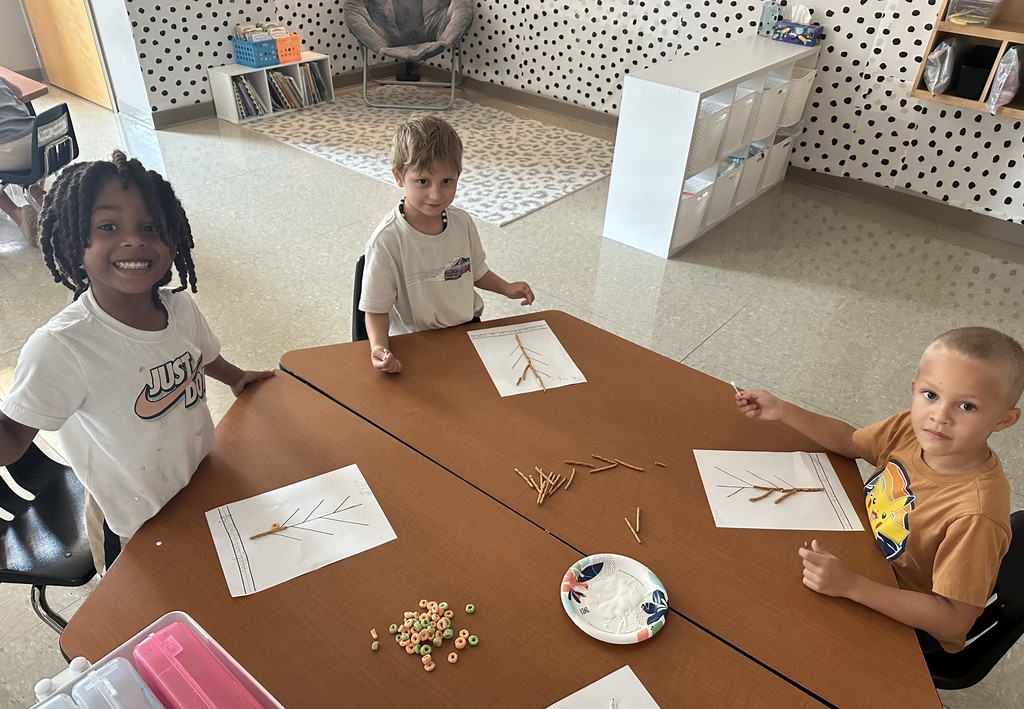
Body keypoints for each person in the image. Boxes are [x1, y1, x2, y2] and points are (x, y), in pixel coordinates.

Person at [0, 150, 274, 573]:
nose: (135, 240)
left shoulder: (179, 308)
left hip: (197, 480)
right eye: (108, 227)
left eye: (151, 227)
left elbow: (202, 355)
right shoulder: (63, 346)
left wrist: (236, 378)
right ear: (73, 242)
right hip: (133, 520)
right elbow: (13, 440)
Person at [736, 327, 1023, 652]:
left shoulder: (976, 516)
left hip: (906, 622)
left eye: (967, 406)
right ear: (914, 389)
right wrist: (783, 411)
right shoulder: (910, 429)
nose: (940, 417)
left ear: (1003, 420)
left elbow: (954, 621)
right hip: (860, 558)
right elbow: (849, 442)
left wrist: (852, 585)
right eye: (931, 395)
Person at [359, 114, 534, 373]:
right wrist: (378, 347)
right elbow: (376, 309)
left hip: (467, 331)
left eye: (447, 182)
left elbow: (475, 270)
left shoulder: (462, 223)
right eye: (423, 182)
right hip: (416, 341)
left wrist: (506, 288)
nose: (436, 194)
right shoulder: (386, 241)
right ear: (399, 177)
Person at [0, 75, 42, 245]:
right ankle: (37, 195)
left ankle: (17, 213)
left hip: (11, 150)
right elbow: (18, 92)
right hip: (38, 145)